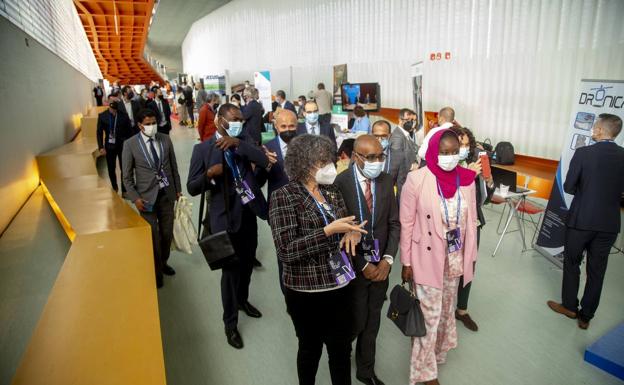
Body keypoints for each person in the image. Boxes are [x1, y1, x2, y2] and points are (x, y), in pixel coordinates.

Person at [269, 134, 367, 385]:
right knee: (310, 348)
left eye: (330, 160)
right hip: (306, 291)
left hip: (340, 284)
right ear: (305, 163)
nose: (330, 167)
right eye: (322, 162)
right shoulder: (285, 196)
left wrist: (351, 232)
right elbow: (286, 250)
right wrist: (327, 231)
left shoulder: (332, 190)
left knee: (341, 349)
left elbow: (344, 225)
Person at [186, 103, 273, 349]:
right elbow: (192, 187)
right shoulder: (202, 150)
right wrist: (210, 175)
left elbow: (263, 160)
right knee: (230, 273)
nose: (238, 123)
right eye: (233, 119)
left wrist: (238, 144)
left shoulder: (243, 142)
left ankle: (243, 301)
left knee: (247, 265)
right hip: (224, 220)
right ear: (219, 121)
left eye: (241, 120)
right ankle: (230, 322)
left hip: (248, 215)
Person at [400, 129, 477, 385]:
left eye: (454, 152)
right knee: (428, 317)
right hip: (426, 258)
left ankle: (436, 355)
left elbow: (471, 221)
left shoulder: (467, 179)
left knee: (444, 312)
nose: (450, 157)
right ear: (433, 151)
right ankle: (424, 373)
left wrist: (470, 257)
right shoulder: (417, 179)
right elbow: (407, 222)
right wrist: (406, 261)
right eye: (444, 152)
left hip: (453, 258)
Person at [547, 113, 624, 329]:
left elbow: (569, 186)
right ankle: (586, 316)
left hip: (581, 220)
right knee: (597, 270)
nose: (593, 129)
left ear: (599, 130)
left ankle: (570, 307)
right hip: (609, 224)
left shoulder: (583, 153)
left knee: (572, 263)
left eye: (594, 126)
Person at [334, 135, 400, 385]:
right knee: (356, 319)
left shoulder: (385, 181)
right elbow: (338, 233)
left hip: (381, 267)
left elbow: (393, 224)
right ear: (356, 157)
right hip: (354, 268)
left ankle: (366, 370)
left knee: (373, 320)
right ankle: (342, 352)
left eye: (380, 156)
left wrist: (387, 260)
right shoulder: (341, 183)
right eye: (370, 158)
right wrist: (363, 264)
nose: (377, 162)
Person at [122, 109, 182, 288]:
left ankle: (163, 262)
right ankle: (155, 271)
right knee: (152, 237)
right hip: (146, 198)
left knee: (166, 234)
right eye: (147, 124)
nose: (152, 126)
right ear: (140, 125)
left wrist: (178, 189)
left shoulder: (165, 139)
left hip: (167, 195)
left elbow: (173, 166)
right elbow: (126, 176)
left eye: (154, 122)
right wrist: (135, 198)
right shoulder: (130, 144)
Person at [450, 126, 495, 332]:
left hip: (473, 222)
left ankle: (462, 309)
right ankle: (443, 307)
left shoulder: (473, 163)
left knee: (469, 264)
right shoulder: (443, 166)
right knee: (449, 265)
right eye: (460, 144)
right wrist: (467, 174)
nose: (464, 148)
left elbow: (486, 197)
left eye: (467, 145)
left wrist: (488, 179)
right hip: (450, 225)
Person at [257, 109, 298, 293]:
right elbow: (258, 182)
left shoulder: (305, 145)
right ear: (275, 126)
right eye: (283, 126)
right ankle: (288, 294)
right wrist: (265, 165)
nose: (288, 129)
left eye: (292, 126)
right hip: (279, 211)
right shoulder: (266, 148)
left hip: (304, 208)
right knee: (283, 255)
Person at [97, 93, 133, 193]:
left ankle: (124, 190)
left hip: (123, 146)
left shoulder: (124, 116)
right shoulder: (102, 116)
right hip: (109, 146)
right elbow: (99, 133)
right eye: (112, 101)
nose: (114, 103)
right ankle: (114, 187)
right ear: (108, 102)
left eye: (116, 101)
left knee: (124, 168)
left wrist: (129, 146)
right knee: (111, 168)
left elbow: (129, 132)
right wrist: (100, 147)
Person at [389, 109, 419, 202]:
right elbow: (396, 161)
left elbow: (416, 148)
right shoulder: (397, 136)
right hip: (402, 179)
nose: (411, 123)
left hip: (408, 178)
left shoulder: (406, 134)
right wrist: (411, 166)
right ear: (400, 120)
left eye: (413, 121)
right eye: (408, 120)